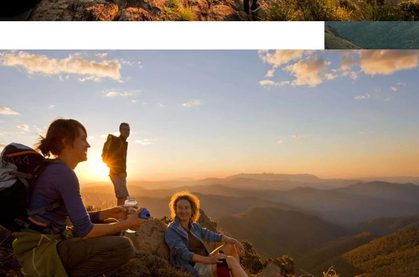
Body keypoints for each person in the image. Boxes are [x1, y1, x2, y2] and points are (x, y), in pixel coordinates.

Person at [19, 118, 148, 277]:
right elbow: (86, 230)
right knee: (124, 247)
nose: (88, 145)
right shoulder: (64, 174)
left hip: (48, 239)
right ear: (66, 142)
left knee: (110, 223)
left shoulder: (54, 168)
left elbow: (76, 219)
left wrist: (108, 213)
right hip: (44, 249)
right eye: (82, 139)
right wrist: (127, 223)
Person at [165, 191, 248, 277]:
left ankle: (233, 273)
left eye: (186, 208)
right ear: (175, 209)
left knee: (231, 246)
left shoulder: (194, 226)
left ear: (192, 210)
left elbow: (213, 236)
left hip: (204, 260)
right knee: (230, 260)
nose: (183, 211)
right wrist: (210, 260)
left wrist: (234, 241)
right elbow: (184, 254)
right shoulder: (172, 230)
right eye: (180, 208)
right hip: (193, 268)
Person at [101, 122, 132, 206]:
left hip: (120, 173)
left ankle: (121, 216)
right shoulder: (117, 141)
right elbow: (111, 158)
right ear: (120, 130)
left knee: (122, 196)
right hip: (116, 173)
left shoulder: (123, 142)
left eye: (128, 130)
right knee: (124, 196)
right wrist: (119, 172)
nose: (127, 131)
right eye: (125, 129)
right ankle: (125, 216)